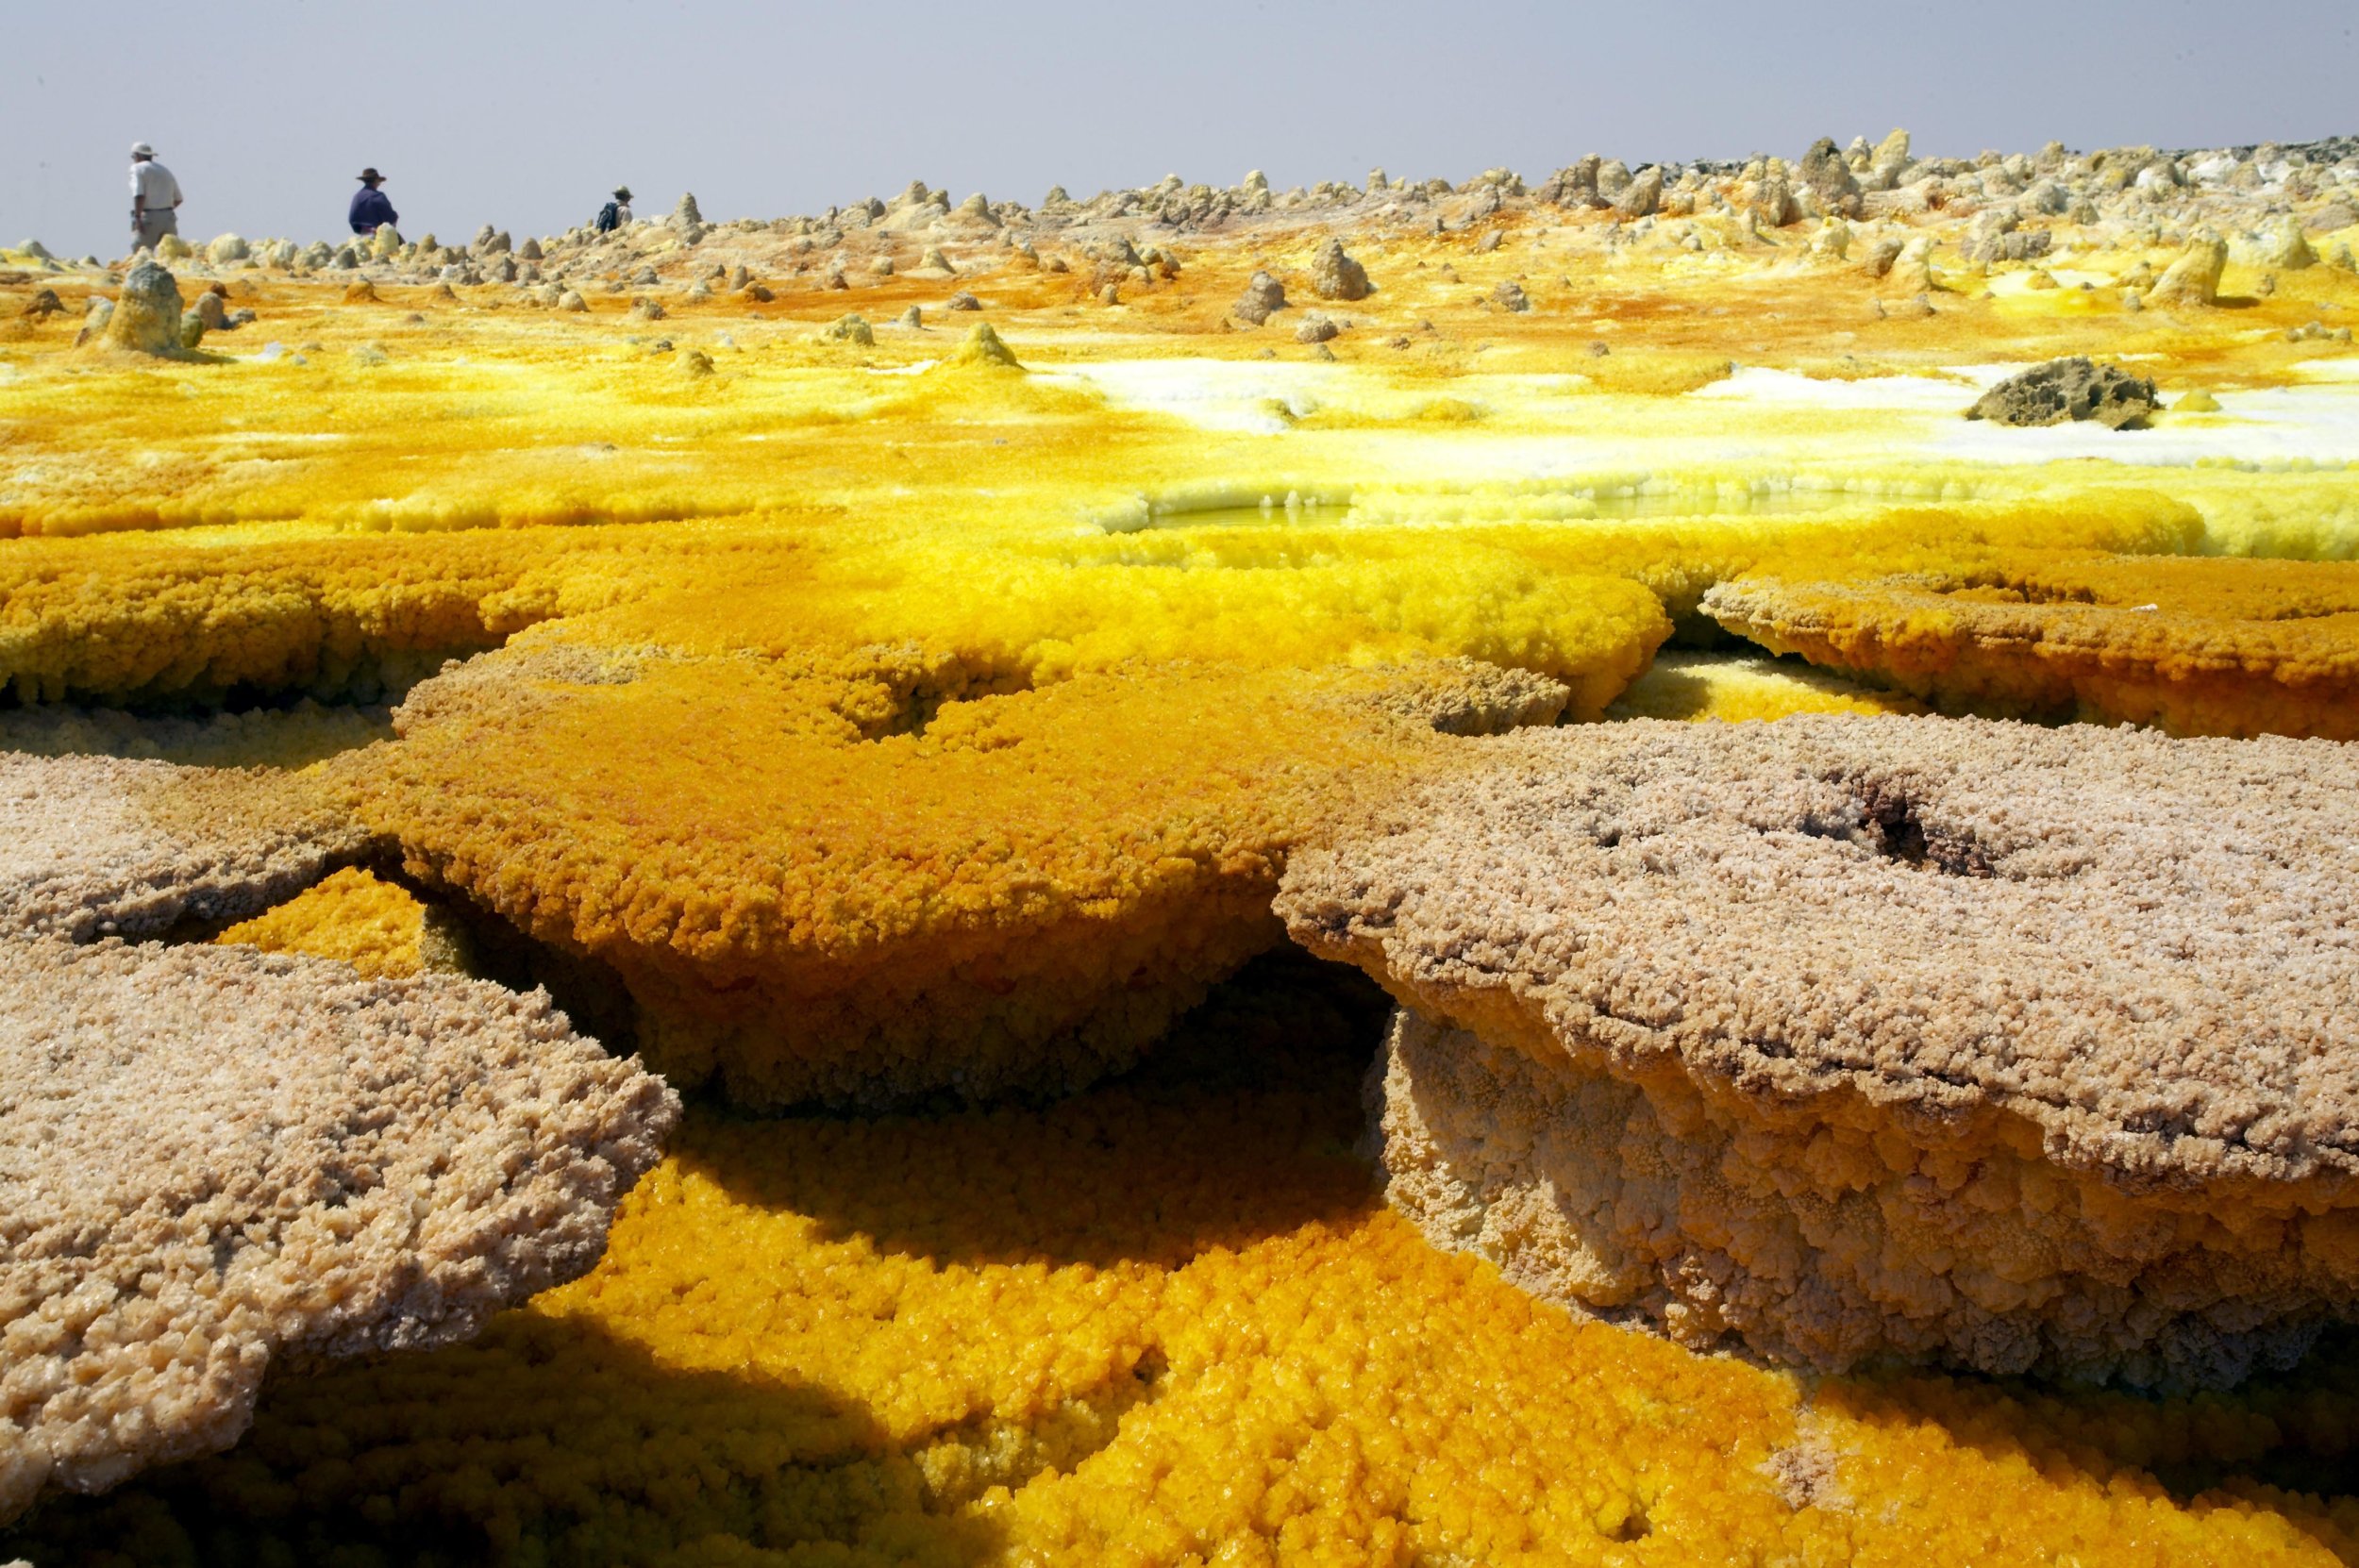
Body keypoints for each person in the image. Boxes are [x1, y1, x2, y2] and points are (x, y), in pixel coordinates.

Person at [128, 142, 181, 252]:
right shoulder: (165, 171)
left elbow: (139, 195)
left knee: (142, 255)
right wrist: (163, 209)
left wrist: (138, 217)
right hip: (169, 218)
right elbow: (178, 199)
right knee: (169, 255)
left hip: (149, 218)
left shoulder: (137, 168)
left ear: (137, 156)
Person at [348, 168, 398, 237]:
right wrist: (395, 216)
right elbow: (390, 217)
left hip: (363, 236)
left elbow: (352, 219)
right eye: (379, 181)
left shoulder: (357, 196)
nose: (379, 184)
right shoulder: (378, 196)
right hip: (378, 236)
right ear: (376, 180)